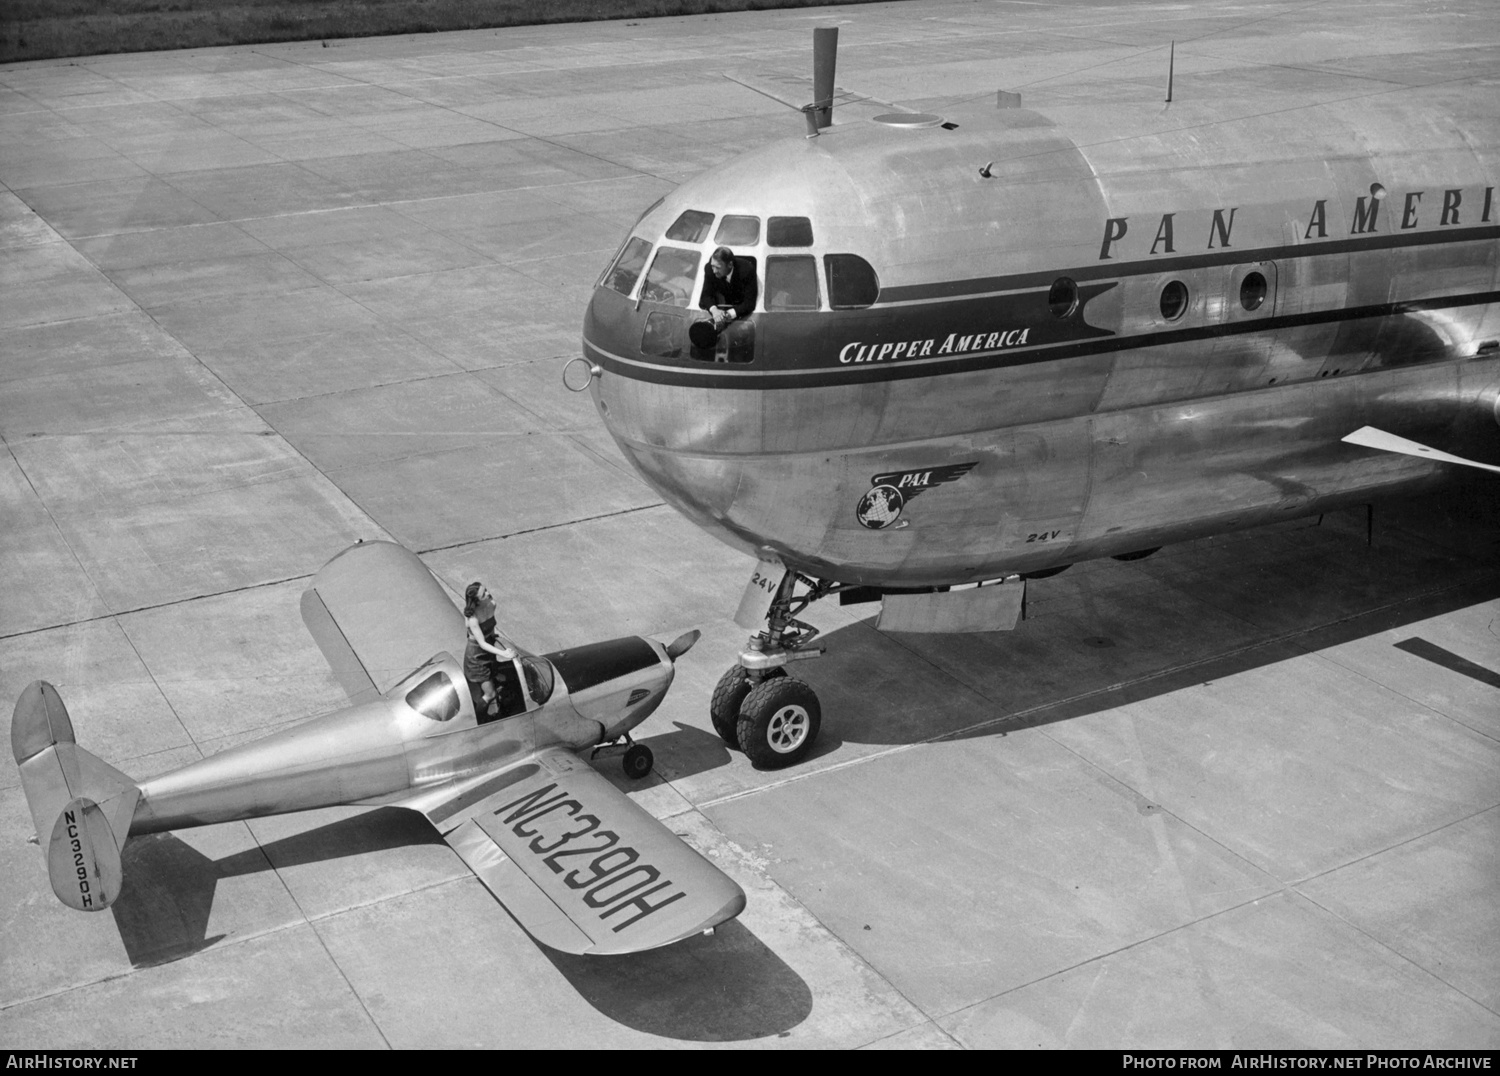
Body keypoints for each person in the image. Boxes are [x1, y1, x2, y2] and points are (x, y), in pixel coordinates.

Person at [463, 582, 518, 719]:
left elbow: (490, 627)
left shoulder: (492, 604)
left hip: (489, 651)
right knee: (490, 694)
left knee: (499, 678)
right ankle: (479, 720)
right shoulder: (472, 618)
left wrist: (493, 637)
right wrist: (503, 653)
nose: (488, 593)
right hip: (477, 658)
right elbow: (481, 643)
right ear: (476, 600)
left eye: (486, 590)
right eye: (483, 594)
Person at [698, 246, 758, 331]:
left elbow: (749, 303)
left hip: (742, 308)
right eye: (713, 266)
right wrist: (714, 310)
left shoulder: (747, 270)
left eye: (718, 267)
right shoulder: (709, 269)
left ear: (730, 265)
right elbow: (706, 295)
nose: (714, 271)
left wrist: (727, 314)